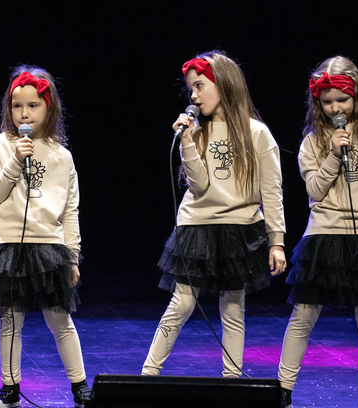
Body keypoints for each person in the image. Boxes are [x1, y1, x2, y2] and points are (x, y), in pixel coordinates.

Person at [141, 51, 286, 379]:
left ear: (224, 84)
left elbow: (272, 191)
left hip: (240, 229)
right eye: (190, 88)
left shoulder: (257, 133)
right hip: (198, 226)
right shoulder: (196, 132)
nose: (193, 95)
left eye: (200, 86)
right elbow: (201, 185)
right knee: (182, 303)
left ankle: (232, 380)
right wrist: (187, 142)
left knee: (233, 307)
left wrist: (276, 241)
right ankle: (148, 375)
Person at [277, 56, 358, 408]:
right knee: (304, 314)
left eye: (342, 100)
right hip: (325, 235)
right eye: (327, 101)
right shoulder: (312, 142)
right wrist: (334, 154)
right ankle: (282, 389)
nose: (335, 107)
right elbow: (315, 189)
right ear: (318, 103)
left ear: (357, 97)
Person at [0, 66, 89, 408]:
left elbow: (70, 210)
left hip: (48, 247)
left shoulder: (61, 155)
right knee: (11, 320)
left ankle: (80, 386)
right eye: (17, 106)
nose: (24, 113)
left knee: (60, 319)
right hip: (6, 244)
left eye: (33, 105)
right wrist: (15, 160)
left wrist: (72, 255)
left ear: (48, 107)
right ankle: (10, 388)